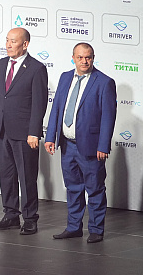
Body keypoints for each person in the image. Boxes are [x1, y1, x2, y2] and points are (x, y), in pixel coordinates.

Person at [44, 43, 116, 243]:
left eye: (88, 57)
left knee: (95, 189)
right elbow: (57, 109)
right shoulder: (65, 77)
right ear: (73, 58)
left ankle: (96, 230)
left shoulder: (104, 82)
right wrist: (50, 136)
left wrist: (103, 145)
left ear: (93, 58)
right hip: (67, 145)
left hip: (91, 147)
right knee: (73, 188)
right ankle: (74, 227)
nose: (85, 61)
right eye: (80, 57)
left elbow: (108, 117)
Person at [0, 27, 47, 235]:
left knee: (27, 177)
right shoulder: (1, 64)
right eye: (7, 41)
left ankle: (30, 219)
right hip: (3, 130)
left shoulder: (36, 68)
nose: (8, 45)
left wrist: (34, 132)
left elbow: (39, 104)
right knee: (7, 176)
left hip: (25, 134)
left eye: (13, 41)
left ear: (25, 44)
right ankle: (10, 215)